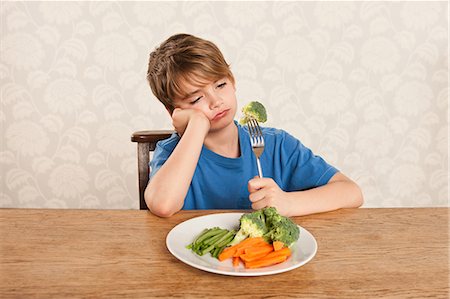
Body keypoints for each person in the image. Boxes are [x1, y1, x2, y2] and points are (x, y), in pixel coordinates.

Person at [145, 33, 363, 218]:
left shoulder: (276, 145)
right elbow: (163, 205)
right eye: (196, 99)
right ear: (174, 112)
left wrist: (288, 203)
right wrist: (197, 124)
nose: (216, 101)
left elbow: (351, 192)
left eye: (220, 85)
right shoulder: (171, 153)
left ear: (233, 81)